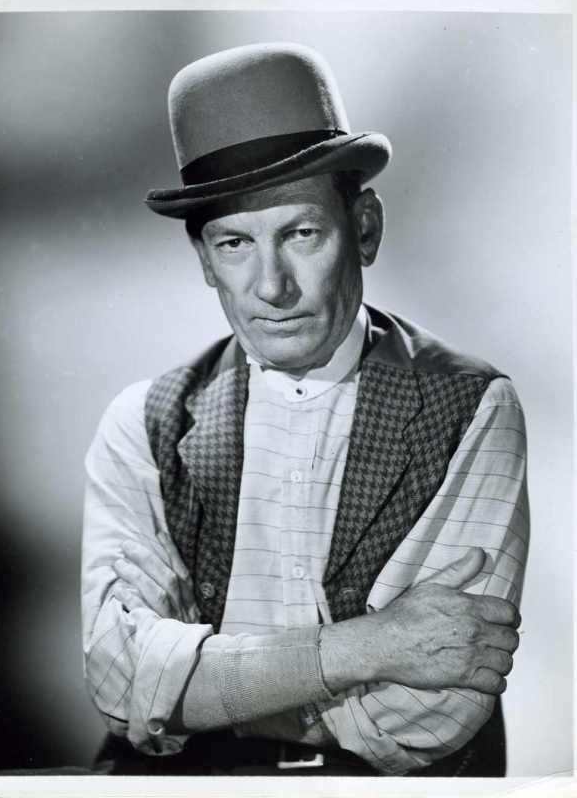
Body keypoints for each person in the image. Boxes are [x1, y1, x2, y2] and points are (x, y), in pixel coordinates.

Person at [81, 42, 528, 777]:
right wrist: (371, 647)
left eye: (301, 233)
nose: (272, 287)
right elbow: (119, 685)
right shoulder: (144, 422)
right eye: (234, 243)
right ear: (205, 262)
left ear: (365, 228)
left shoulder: (471, 406)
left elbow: (429, 714)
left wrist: (194, 688)